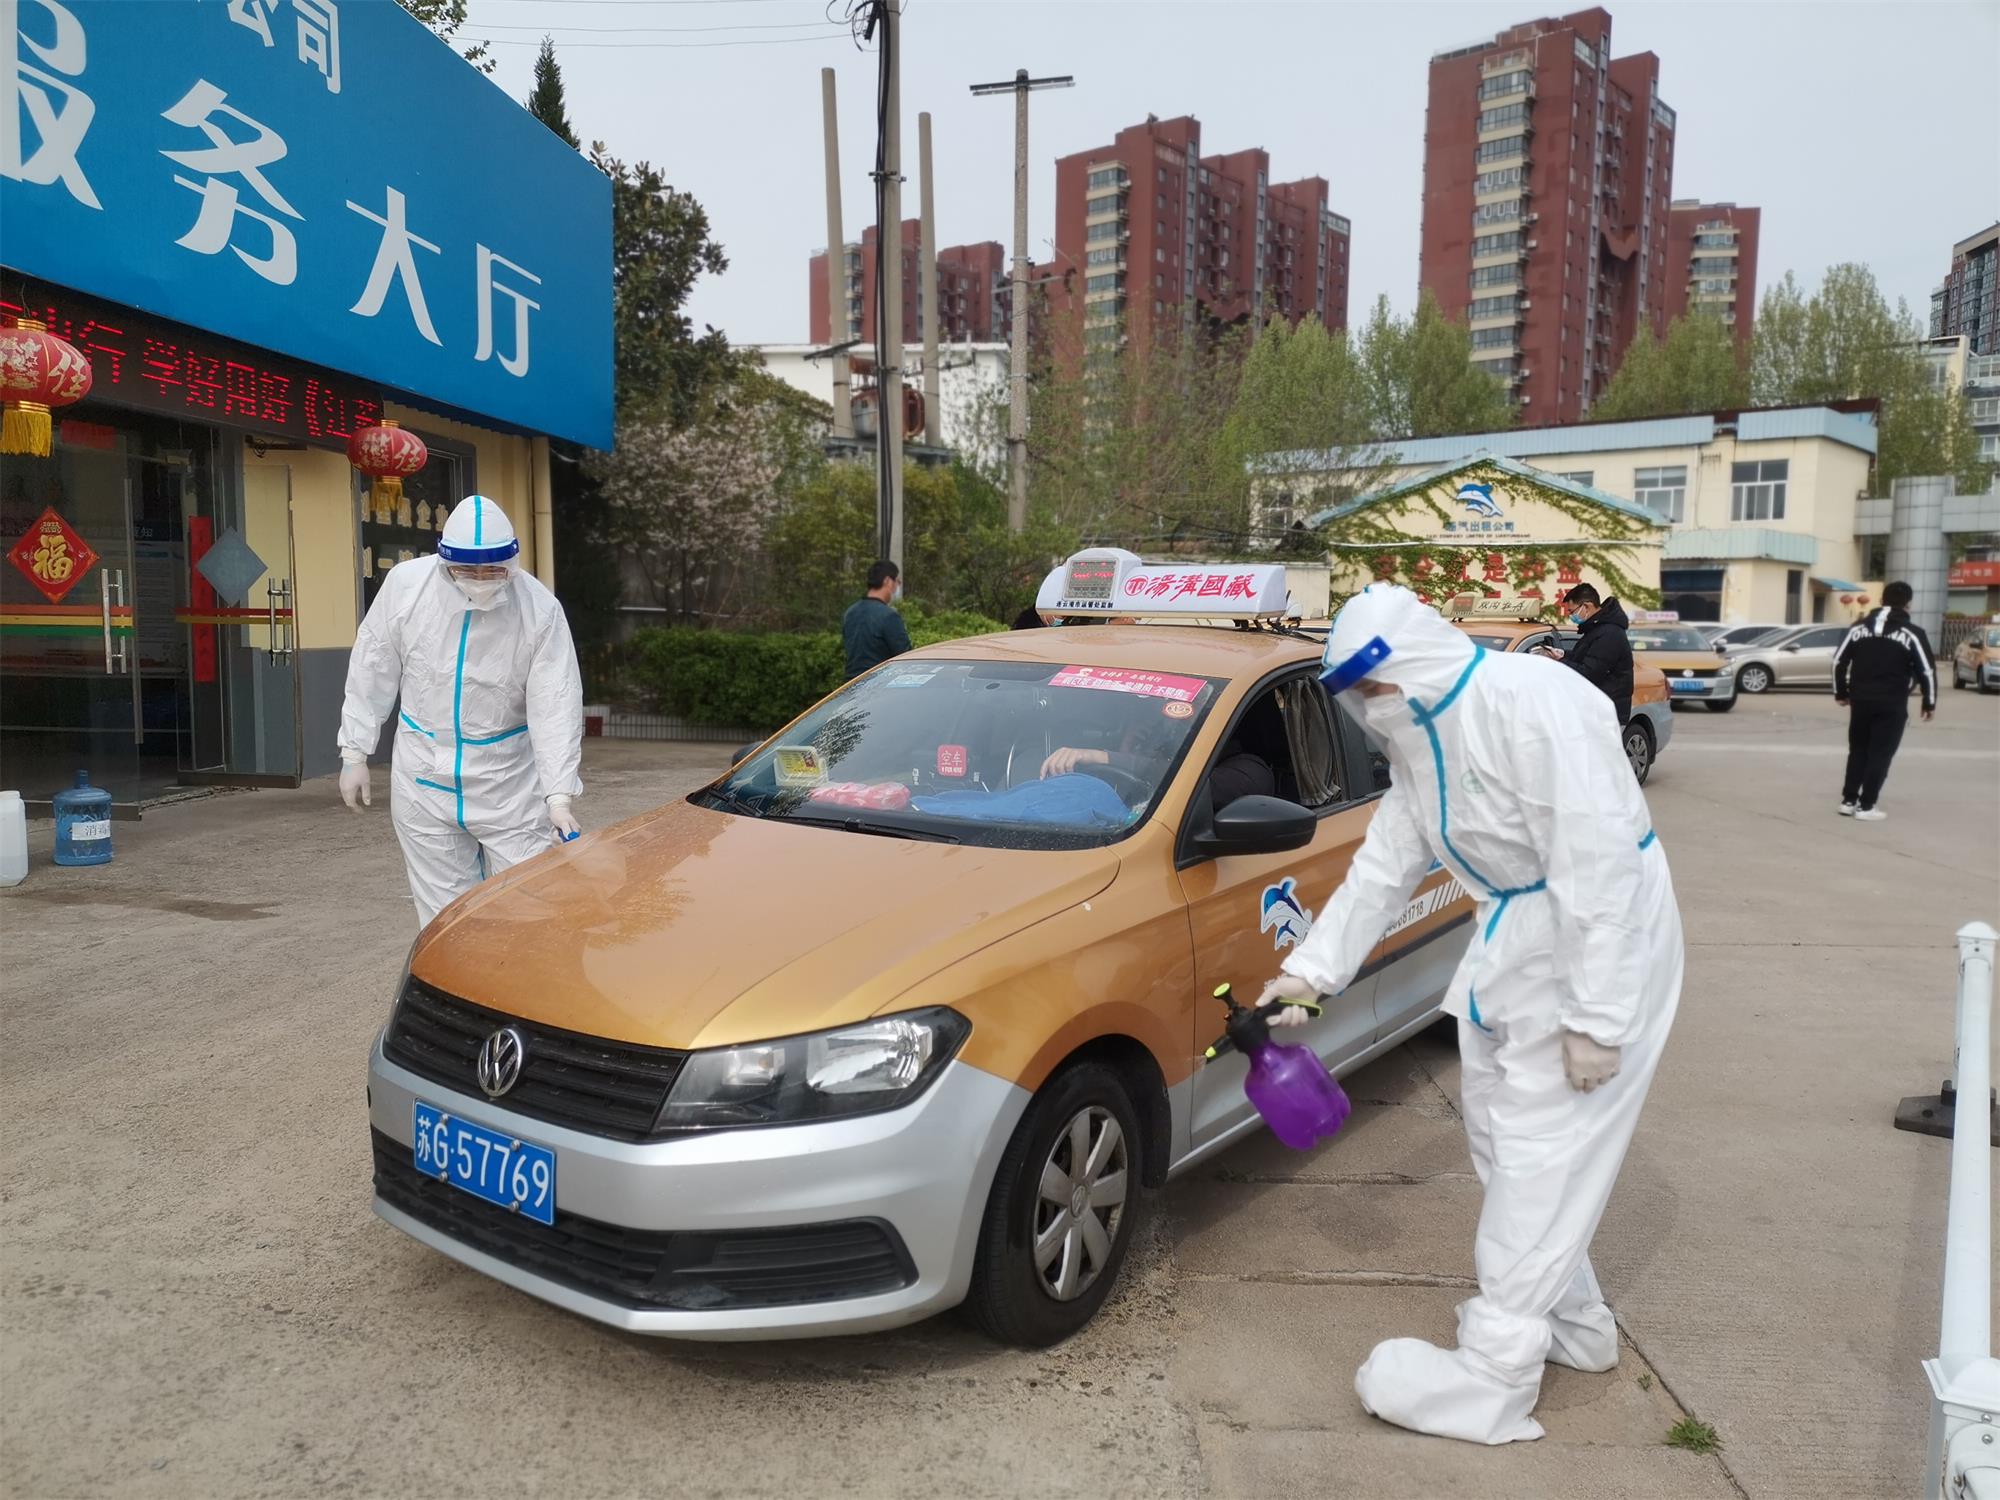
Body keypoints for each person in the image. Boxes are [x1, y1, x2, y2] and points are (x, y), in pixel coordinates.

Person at [1259, 584, 1682, 1446]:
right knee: (1499, 1135)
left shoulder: (1533, 703)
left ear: (1412, 663)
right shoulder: (1423, 742)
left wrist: (1599, 1016)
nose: (1368, 707)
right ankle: (1573, 1324)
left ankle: (1495, 1374)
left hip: (1596, 939)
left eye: (1372, 687)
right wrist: (1308, 975)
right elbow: (1387, 866)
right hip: (1517, 941)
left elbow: (1597, 863)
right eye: (1356, 695)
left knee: (1538, 1152)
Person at [337, 495, 584, 928]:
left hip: (508, 783)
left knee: (527, 907)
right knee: (445, 917)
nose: (481, 580)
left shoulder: (539, 609)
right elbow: (373, 664)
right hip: (423, 778)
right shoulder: (407, 588)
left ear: (511, 563)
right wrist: (355, 751)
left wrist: (558, 795)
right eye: (467, 570)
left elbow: (556, 702)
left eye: (493, 571)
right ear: (444, 562)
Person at [1833, 581, 1936, 820]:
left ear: (1881, 601)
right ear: (1908, 604)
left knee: (1858, 750)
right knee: (1881, 753)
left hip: (1861, 701)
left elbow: (1839, 661)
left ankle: (1848, 801)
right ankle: (1867, 806)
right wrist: (1929, 702)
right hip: (1892, 703)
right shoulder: (1913, 633)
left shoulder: (1857, 628)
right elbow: (1926, 670)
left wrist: (1841, 692)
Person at [1532, 583, 1633, 725]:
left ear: (1586, 606)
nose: (1571, 616)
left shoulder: (1609, 634)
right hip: (1595, 709)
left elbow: (1589, 673)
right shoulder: (1597, 629)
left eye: (1572, 611)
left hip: (1604, 713)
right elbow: (1585, 657)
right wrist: (1562, 655)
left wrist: (1559, 661)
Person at [843, 560, 913, 679]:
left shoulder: (850, 613)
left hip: (852, 684)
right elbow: (905, 657)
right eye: (897, 581)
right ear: (887, 581)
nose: (898, 586)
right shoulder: (889, 616)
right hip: (879, 683)